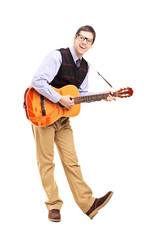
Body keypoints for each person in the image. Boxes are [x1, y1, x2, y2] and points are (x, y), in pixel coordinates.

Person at [31, 25, 115, 222]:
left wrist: (103, 96)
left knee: (72, 161)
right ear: (75, 37)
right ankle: (53, 206)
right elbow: (38, 81)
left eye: (89, 40)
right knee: (47, 162)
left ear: (92, 45)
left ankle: (88, 204)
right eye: (82, 38)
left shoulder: (84, 68)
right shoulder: (57, 56)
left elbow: (81, 95)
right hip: (42, 114)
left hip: (62, 119)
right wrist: (59, 99)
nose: (84, 42)